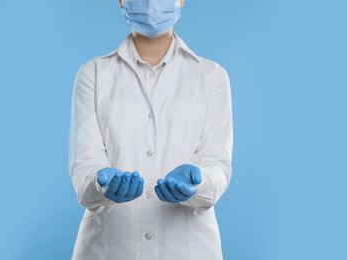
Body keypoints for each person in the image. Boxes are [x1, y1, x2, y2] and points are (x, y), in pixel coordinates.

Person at [68, 0, 234, 259]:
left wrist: (198, 181)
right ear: (122, 1)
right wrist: (102, 184)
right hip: (107, 250)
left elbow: (219, 166)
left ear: (181, 0)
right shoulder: (93, 75)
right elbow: (84, 167)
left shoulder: (212, 77)